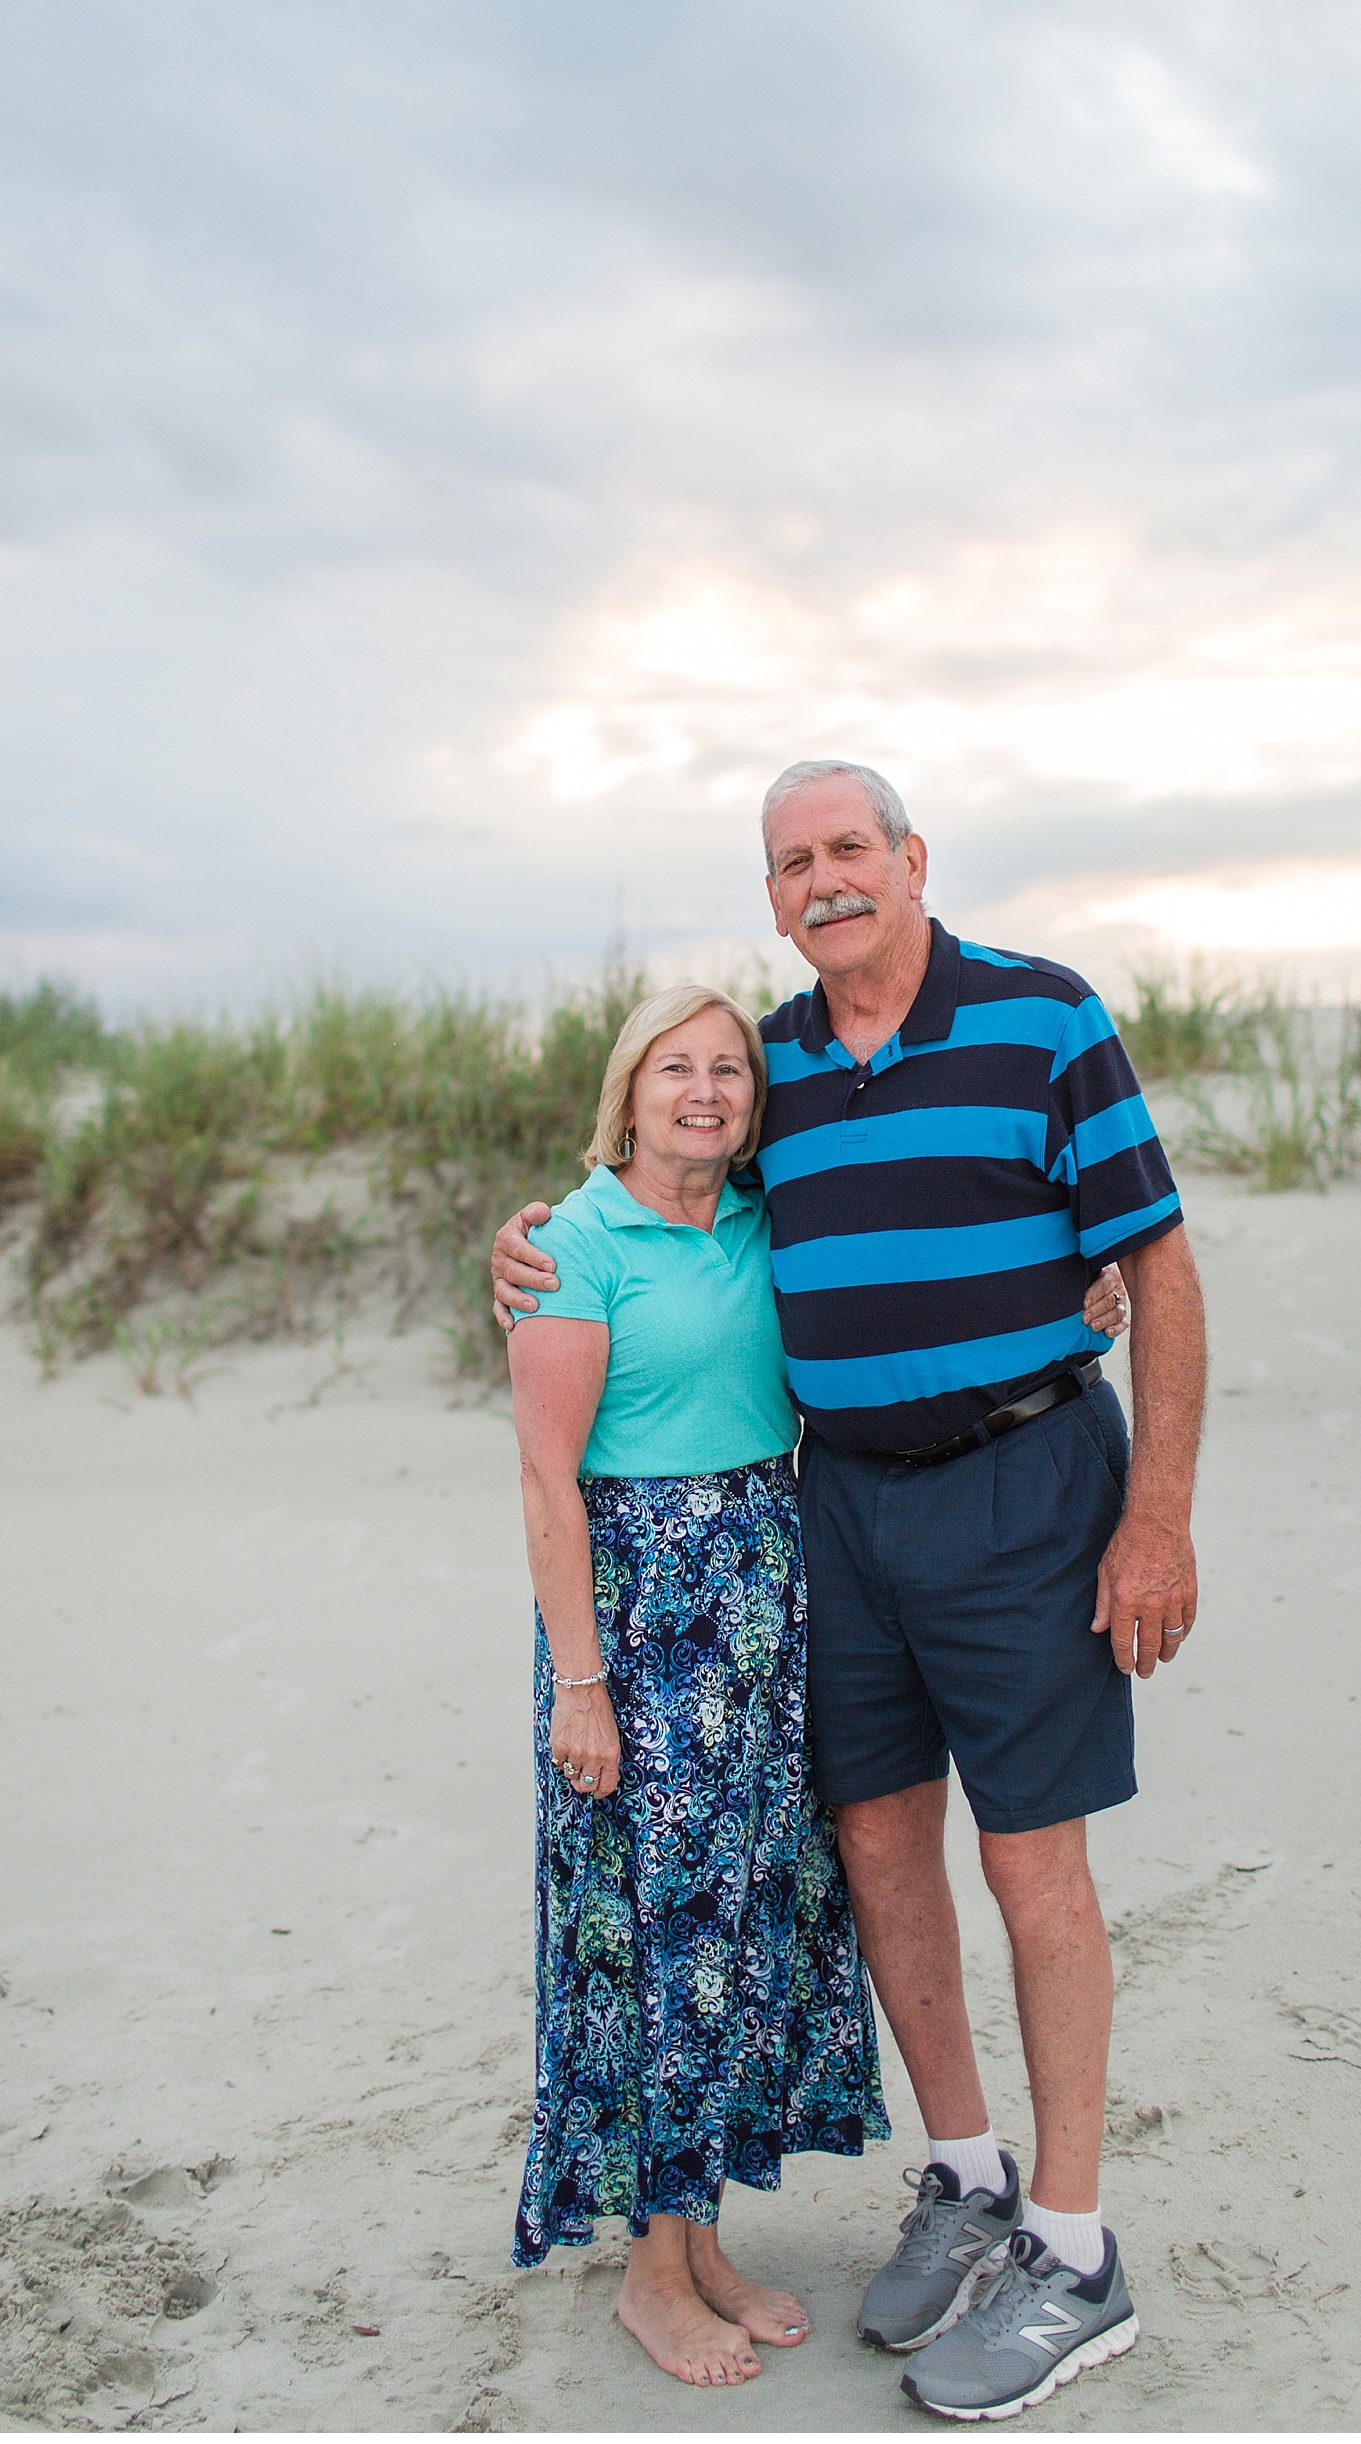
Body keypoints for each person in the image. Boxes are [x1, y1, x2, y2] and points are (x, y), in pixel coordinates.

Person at [493, 760, 1205, 2423]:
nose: (822, 879)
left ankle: (1076, 2249)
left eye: (847, 849)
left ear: (910, 858)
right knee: (877, 1845)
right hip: (838, 1515)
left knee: (1033, 1864)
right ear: (773, 894)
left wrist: (1156, 1510)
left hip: (1028, 1490)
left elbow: (1157, 1260)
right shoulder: (784, 1066)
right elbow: (654, 1216)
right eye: (789, 861)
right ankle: (965, 2174)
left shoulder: (1042, 1015)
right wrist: (522, 1247)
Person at [505, 981, 887, 2391]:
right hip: (640, 1616)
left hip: (762, 1605)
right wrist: (583, 1685)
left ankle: (702, 2234)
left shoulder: (758, 1220)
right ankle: (648, 2279)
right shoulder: (574, 1240)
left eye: (730, 1068)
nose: (709, 1090)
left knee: (734, 1923)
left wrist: (1078, 1288)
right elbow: (548, 1479)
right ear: (631, 1087)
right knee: (648, 1937)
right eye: (680, 1067)